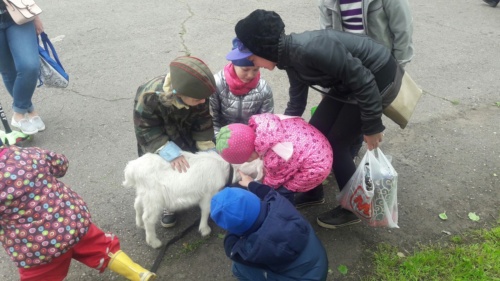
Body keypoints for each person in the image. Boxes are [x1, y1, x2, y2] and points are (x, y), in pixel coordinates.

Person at [229, 9, 404, 229]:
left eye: (252, 56)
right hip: (349, 83)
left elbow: (364, 80)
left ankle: (354, 207)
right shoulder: (288, 57)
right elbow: (297, 99)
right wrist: (282, 130)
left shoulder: (308, 50)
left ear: (264, 49)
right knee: (313, 134)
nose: (253, 62)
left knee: (336, 143)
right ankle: (312, 190)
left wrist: (372, 125)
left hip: (378, 78)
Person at [0, 142, 156, 281]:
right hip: (71, 221)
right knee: (103, 248)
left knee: (39, 276)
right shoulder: (26, 154)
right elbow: (61, 164)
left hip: (37, 245)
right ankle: (138, 273)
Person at [317, 0, 414, 160]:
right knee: (340, 128)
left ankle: (351, 153)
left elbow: (403, 30)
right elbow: (326, 36)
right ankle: (350, 150)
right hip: (346, 70)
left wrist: (395, 72)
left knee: (355, 125)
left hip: (377, 68)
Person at [133, 56, 217, 228]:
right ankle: (167, 204)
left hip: (185, 135)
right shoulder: (149, 97)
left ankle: (195, 191)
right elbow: (145, 129)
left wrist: (208, 150)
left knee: (191, 165)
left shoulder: (198, 94)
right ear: (178, 93)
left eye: (204, 99)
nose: (202, 102)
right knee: (165, 172)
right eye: (197, 100)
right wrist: (168, 152)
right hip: (159, 143)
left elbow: (203, 121)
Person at [210, 171, 328, 281]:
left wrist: (233, 226)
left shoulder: (250, 251)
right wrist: (251, 183)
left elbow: (231, 249)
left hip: (299, 278)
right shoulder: (280, 204)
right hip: (319, 263)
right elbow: (267, 192)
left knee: (238, 268)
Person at [215, 113, 333, 204]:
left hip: (317, 167)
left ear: (250, 154)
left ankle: (286, 213)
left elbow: (275, 181)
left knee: (282, 191)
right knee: (298, 164)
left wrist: (256, 186)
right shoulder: (264, 126)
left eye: (246, 159)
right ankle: (315, 195)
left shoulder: (274, 157)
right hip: (319, 145)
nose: (247, 161)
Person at [210, 38, 274, 137]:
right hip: (223, 137)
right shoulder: (217, 84)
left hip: (251, 138)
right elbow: (212, 120)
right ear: (234, 64)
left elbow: (266, 123)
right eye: (245, 69)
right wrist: (220, 140)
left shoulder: (263, 89)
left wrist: (257, 143)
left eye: (255, 69)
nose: (250, 75)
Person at [0, 8, 45, 135]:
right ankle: (29, 110)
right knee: (8, 70)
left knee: (30, 66)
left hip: (16, 13)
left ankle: (18, 113)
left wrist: (35, 16)